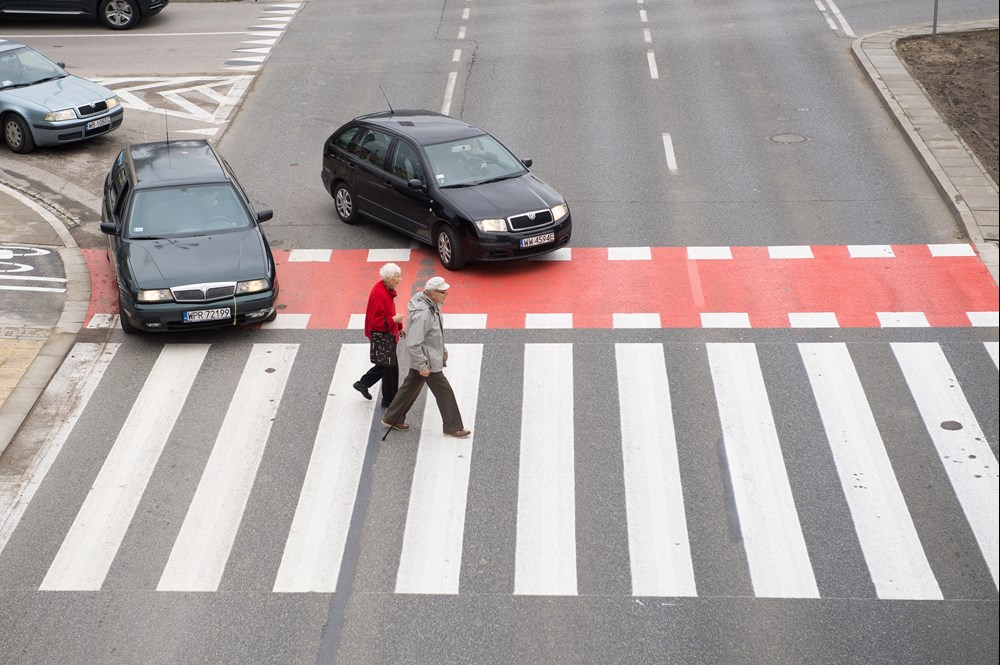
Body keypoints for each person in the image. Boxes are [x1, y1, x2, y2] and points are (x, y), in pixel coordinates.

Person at [382, 276, 471, 439]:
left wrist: (441, 348)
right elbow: (413, 343)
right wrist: (422, 365)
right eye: (443, 292)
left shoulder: (432, 305)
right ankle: (452, 427)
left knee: (410, 387)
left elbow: (433, 334)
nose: (446, 294)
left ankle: (392, 417)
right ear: (432, 293)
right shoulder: (425, 313)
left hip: (427, 357)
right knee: (444, 391)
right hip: (427, 361)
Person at [353, 263, 405, 408]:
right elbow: (376, 321)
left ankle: (363, 384)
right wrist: (394, 321)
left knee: (386, 364)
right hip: (383, 336)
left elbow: (389, 311)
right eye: (397, 276)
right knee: (390, 368)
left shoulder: (385, 288)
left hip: (386, 334)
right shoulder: (381, 294)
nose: (400, 279)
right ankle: (389, 400)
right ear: (388, 278)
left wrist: (399, 326)